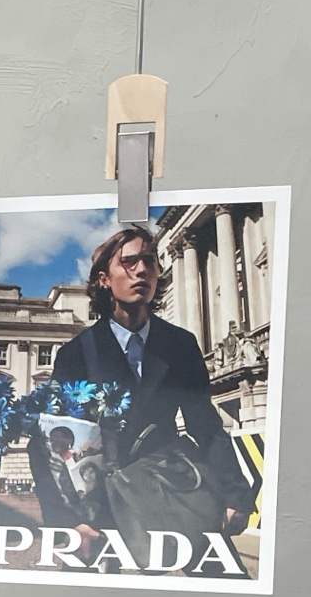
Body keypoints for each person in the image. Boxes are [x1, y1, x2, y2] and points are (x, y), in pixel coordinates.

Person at [29, 223, 250, 552]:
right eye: (129, 262)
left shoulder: (180, 344)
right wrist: (68, 522)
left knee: (223, 578)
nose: (142, 270)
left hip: (171, 489)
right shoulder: (77, 353)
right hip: (101, 507)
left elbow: (206, 425)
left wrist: (236, 495)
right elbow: (49, 442)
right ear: (104, 279)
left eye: (149, 261)